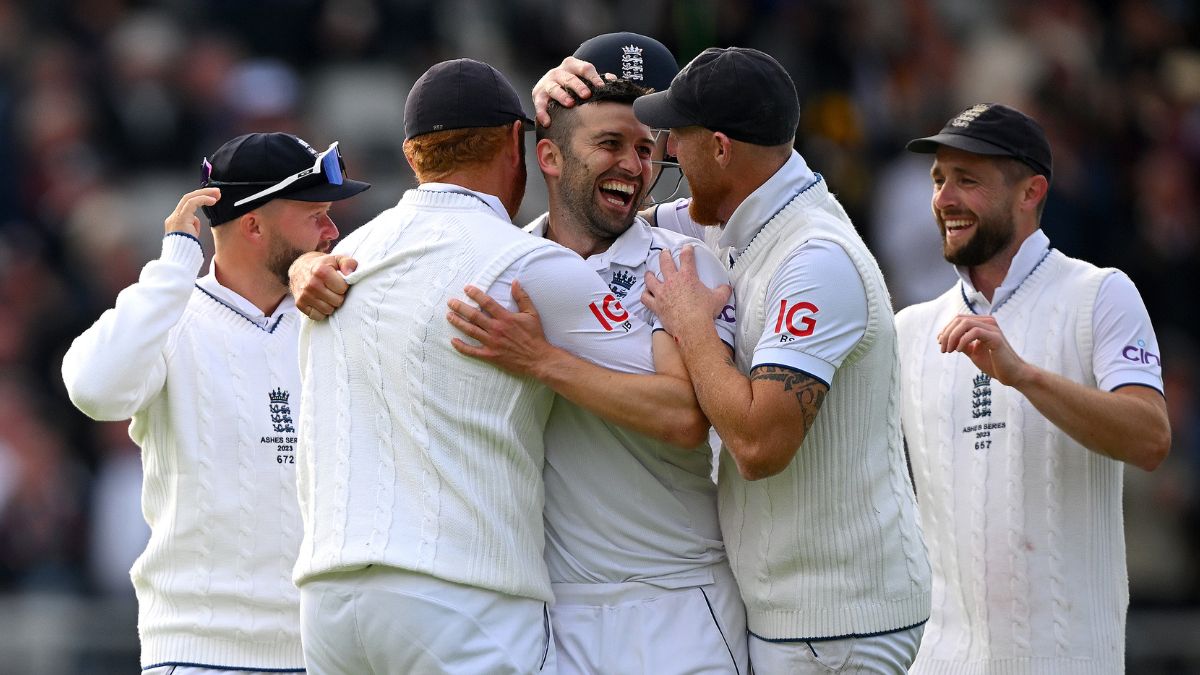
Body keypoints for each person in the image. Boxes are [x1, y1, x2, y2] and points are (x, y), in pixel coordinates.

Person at [291, 58, 658, 675]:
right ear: (518, 145)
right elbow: (678, 409)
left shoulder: (335, 262)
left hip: (329, 603)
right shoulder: (529, 266)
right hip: (461, 596)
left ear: (413, 154)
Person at [445, 37, 749, 673]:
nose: (633, 167)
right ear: (549, 156)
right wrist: (313, 267)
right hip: (557, 613)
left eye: (645, 149)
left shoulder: (681, 261)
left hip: (678, 604)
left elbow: (684, 417)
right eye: (610, 144)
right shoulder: (505, 259)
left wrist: (542, 361)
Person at [634, 47, 932, 673]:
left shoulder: (814, 259)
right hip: (800, 618)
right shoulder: (734, 219)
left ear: (719, 148)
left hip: (840, 625)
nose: (666, 154)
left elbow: (760, 446)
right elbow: (604, 231)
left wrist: (692, 326)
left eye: (676, 137)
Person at [61, 132, 370, 672]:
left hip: (328, 652)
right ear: (253, 225)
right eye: (314, 213)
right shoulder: (170, 313)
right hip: (198, 652)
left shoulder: (338, 317)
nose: (332, 230)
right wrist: (174, 265)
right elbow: (94, 389)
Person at [897, 103, 1171, 674]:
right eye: (939, 179)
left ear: (1031, 192)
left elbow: (1150, 438)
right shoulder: (909, 331)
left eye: (968, 180)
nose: (945, 198)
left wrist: (1024, 376)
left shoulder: (1100, 294)